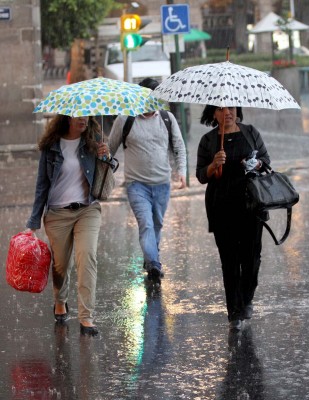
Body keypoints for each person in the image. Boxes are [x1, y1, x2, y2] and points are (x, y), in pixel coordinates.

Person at [26, 114, 111, 336]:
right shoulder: (52, 146)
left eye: (86, 116)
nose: (83, 120)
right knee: (61, 265)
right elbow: (41, 185)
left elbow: (105, 179)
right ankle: (60, 300)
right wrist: (33, 222)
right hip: (57, 214)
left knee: (87, 256)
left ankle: (86, 318)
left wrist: (105, 158)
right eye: (78, 117)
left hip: (87, 209)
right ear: (67, 118)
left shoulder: (93, 140)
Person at [196, 106, 270, 332]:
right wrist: (213, 165)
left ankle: (247, 299)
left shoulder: (250, 132)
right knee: (229, 261)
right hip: (222, 207)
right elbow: (200, 175)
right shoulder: (208, 141)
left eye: (232, 107)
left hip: (251, 205)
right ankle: (234, 313)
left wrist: (256, 163)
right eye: (221, 109)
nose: (227, 112)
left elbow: (265, 160)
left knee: (251, 258)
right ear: (213, 114)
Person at [108, 77, 187, 284]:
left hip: (162, 183)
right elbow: (110, 149)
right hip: (136, 185)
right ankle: (153, 263)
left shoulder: (167, 118)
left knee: (157, 224)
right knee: (146, 225)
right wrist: (101, 166)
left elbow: (179, 146)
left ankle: (151, 257)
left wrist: (182, 172)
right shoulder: (125, 119)